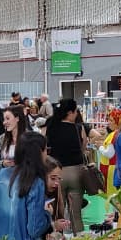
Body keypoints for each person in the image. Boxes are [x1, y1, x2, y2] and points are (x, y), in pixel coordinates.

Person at [0, 131, 51, 240]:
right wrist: (47, 214)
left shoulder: (0, 175)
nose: (47, 153)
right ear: (39, 153)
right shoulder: (36, 182)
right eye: (46, 150)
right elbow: (34, 229)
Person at [45, 98, 90, 233]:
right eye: (75, 111)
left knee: (57, 215)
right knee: (76, 214)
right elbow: (83, 148)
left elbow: (45, 148)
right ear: (70, 112)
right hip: (76, 173)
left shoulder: (51, 127)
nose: (76, 114)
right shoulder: (78, 128)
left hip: (56, 174)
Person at [0, 103, 31, 170]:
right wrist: (3, 163)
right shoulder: (2, 138)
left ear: (17, 118)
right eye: (4, 119)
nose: (4, 122)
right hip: (5, 175)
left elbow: (36, 161)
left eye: (7, 118)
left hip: (25, 175)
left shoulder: (30, 137)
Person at [43, 155, 71, 235]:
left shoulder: (56, 191)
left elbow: (59, 213)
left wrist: (58, 224)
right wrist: (53, 225)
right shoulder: (34, 196)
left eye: (59, 179)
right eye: (53, 178)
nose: (57, 183)